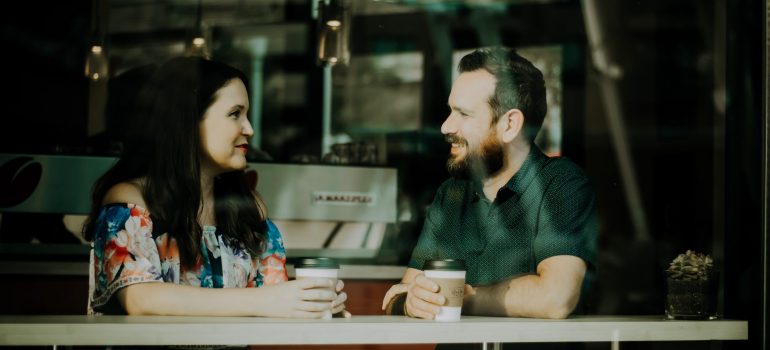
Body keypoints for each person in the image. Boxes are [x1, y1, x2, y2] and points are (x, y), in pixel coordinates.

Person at [84, 56, 348, 318]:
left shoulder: (248, 209)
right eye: (235, 114)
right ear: (188, 121)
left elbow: (273, 296)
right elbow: (140, 299)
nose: (250, 129)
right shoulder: (130, 202)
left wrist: (313, 302)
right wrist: (264, 301)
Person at [382, 47, 597, 321]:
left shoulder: (561, 183)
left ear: (509, 125)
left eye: (464, 113)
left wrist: (459, 298)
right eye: (450, 111)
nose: (446, 126)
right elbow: (401, 294)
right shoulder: (451, 195)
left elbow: (555, 299)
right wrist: (409, 302)